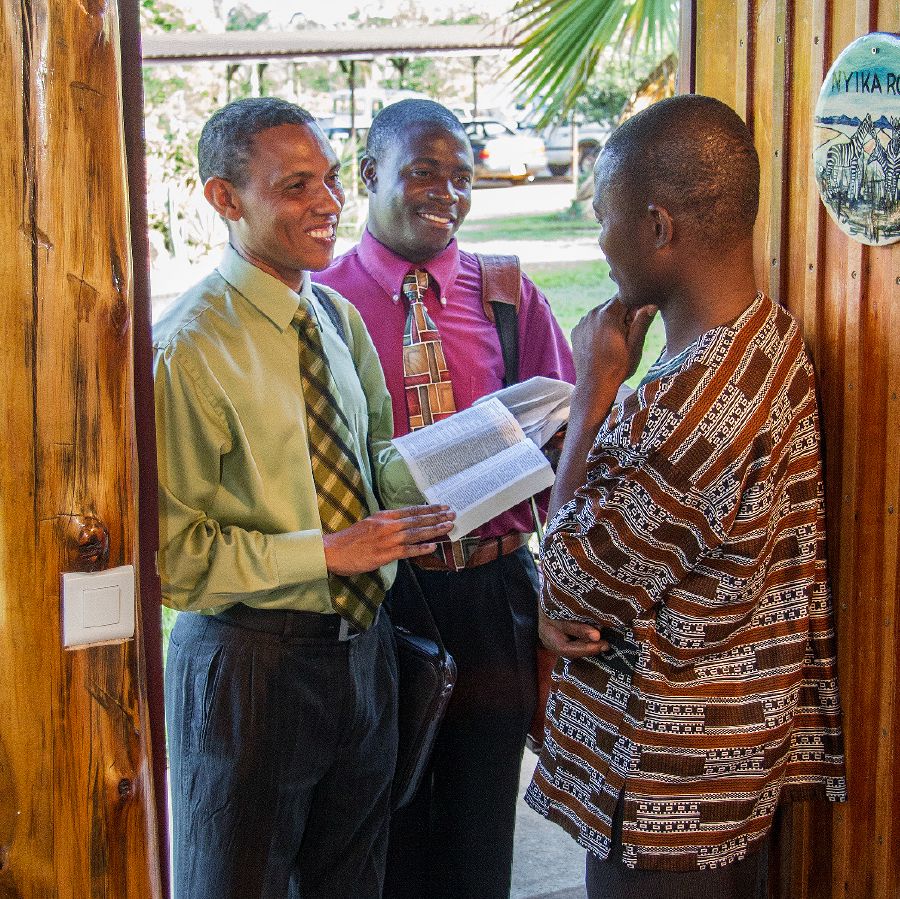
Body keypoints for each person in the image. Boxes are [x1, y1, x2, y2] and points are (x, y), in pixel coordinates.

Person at [525, 94, 847, 899]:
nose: (600, 243)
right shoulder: (766, 336)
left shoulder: (696, 409)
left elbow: (572, 580)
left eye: (605, 218)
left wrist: (593, 389)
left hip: (665, 795)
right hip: (722, 773)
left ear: (658, 226)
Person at [154, 97, 454, 899]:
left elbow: (375, 459)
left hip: (362, 654)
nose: (329, 202)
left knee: (352, 881)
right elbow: (175, 559)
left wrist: (468, 462)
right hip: (250, 666)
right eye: (296, 186)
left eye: (330, 178)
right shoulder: (186, 351)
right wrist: (328, 552)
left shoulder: (334, 317)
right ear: (224, 198)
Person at [318, 98, 576, 899]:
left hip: (493, 589)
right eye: (424, 171)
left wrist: (558, 593)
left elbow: (569, 441)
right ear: (370, 174)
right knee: (380, 818)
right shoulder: (320, 301)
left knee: (478, 821)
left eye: (462, 177)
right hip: (381, 595)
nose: (448, 193)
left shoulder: (506, 294)